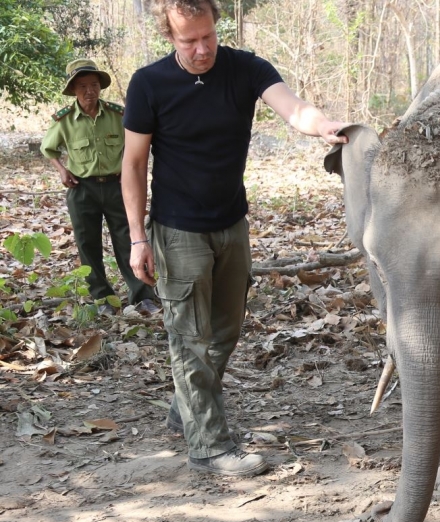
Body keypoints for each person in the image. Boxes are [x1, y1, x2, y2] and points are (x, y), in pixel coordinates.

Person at [122, 0, 347, 476]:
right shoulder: (149, 83)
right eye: (189, 41)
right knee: (189, 337)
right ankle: (209, 446)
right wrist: (138, 238)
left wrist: (321, 125)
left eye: (208, 37)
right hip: (178, 227)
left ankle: (187, 410)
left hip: (231, 222)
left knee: (226, 330)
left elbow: (293, 108)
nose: (202, 49)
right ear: (170, 35)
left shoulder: (245, 68)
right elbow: (134, 164)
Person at [41, 60, 158, 315]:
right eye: (82, 86)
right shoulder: (64, 120)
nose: (89, 91)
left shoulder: (118, 115)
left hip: (117, 186)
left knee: (129, 239)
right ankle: (102, 298)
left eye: (94, 85)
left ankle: (141, 296)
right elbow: (48, 148)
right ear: (73, 89)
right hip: (82, 189)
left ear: (100, 87)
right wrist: (62, 170)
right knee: (87, 244)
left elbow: (135, 144)